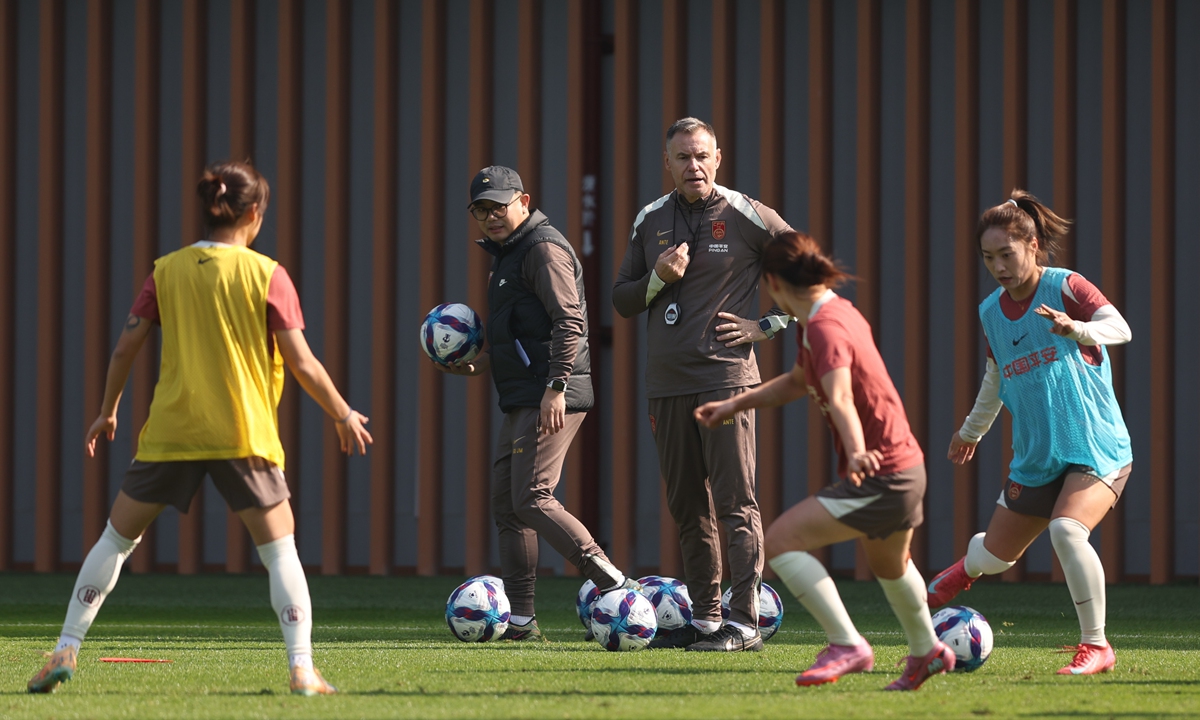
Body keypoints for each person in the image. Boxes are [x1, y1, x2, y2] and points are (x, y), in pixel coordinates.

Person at [26, 161, 371, 696]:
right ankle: (301, 667)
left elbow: (124, 346)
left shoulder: (166, 271)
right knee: (281, 553)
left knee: (115, 540)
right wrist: (343, 412)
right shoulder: (267, 274)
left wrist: (108, 409)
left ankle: (66, 647)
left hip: (172, 433)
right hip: (244, 432)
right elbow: (301, 362)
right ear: (255, 212)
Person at [696, 232, 955, 689]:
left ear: (773, 283)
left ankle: (847, 645)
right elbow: (799, 381)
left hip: (882, 471)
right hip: (905, 467)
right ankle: (926, 651)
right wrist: (734, 405)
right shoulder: (830, 313)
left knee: (780, 541)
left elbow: (838, 396)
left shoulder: (824, 327)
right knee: (892, 567)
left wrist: (855, 450)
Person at [927, 190, 1133, 676]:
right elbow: (996, 377)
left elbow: (1118, 327)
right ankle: (965, 570)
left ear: (1033, 245)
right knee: (996, 558)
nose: (998, 265)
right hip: (1038, 456)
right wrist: (971, 429)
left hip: (1096, 446)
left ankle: (1097, 646)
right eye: (988, 257)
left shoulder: (1065, 286)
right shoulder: (990, 312)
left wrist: (1078, 330)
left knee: (1066, 530)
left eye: (1007, 253)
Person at [613, 118, 794, 652]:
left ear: (719, 158)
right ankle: (708, 619)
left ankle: (745, 622)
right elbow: (622, 299)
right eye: (682, 158)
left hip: (727, 379)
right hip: (667, 384)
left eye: (702, 156)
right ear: (666, 163)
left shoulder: (746, 214)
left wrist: (766, 325)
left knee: (736, 502)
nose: (693, 166)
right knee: (686, 504)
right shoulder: (650, 219)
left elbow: (810, 270)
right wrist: (657, 280)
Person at [438, 166, 636, 641]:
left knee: (532, 497)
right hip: (526, 395)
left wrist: (557, 387)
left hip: (551, 396)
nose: (490, 216)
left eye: (499, 206)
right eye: (481, 210)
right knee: (508, 505)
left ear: (523, 201)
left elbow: (570, 322)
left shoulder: (541, 248)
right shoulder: (507, 255)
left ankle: (611, 579)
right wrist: (478, 363)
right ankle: (521, 621)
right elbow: (519, 337)